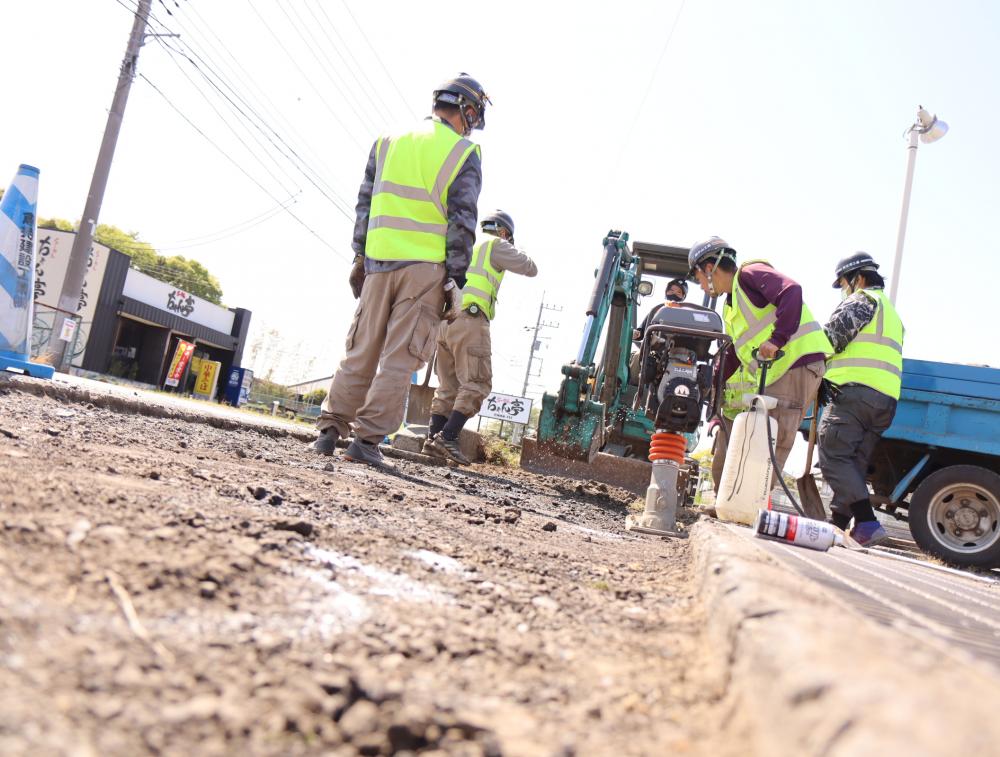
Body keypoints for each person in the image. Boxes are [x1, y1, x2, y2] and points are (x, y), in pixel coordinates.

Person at [309, 74, 491, 467]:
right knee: (399, 358)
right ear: (467, 111)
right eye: (473, 117)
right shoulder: (463, 152)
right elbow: (462, 222)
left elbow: (365, 201)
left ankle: (328, 431)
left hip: (377, 263)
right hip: (423, 271)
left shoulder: (387, 140)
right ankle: (367, 442)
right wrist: (456, 278)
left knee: (361, 350)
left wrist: (359, 255)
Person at [688, 237, 832, 484]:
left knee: (771, 438)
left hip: (796, 363)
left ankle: (752, 506)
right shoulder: (730, 305)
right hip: (780, 372)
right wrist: (713, 382)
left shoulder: (749, 274)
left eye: (697, 277)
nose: (700, 286)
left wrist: (778, 339)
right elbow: (735, 351)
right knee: (757, 438)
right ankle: (738, 504)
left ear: (709, 268)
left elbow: (791, 291)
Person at [422, 210, 537, 464]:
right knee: (477, 382)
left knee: (448, 387)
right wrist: (512, 246)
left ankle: (432, 441)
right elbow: (530, 268)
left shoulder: (463, 242)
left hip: (444, 321)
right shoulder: (495, 245)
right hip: (470, 320)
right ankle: (448, 437)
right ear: (504, 232)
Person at [818, 253, 904, 546]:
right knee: (852, 464)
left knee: (834, 456)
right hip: (884, 402)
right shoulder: (891, 313)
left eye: (844, 284)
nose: (844, 290)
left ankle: (867, 522)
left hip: (854, 394)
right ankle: (839, 525)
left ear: (858, 278)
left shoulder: (861, 300)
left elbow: (828, 340)